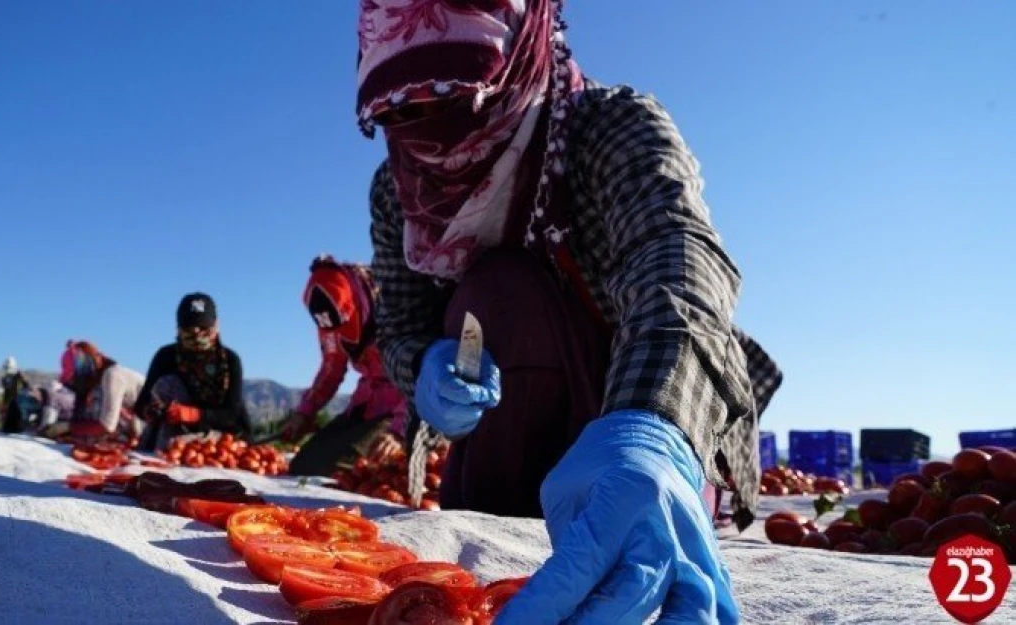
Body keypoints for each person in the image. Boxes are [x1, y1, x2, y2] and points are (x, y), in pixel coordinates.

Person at [355, 2, 784, 622]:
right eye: (396, 111)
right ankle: (500, 528)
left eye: (448, 92)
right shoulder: (396, 188)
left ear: (517, 53)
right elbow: (400, 321)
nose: (424, 131)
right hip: (501, 434)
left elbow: (678, 263)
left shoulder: (609, 127)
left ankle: (641, 497)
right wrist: (422, 362)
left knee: (505, 292)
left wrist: (654, 427)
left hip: (623, 398)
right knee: (496, 295)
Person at [279, 256, 408, 477]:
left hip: (404, 407)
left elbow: (421, 375)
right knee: (302, 466)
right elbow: (331, 369)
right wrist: (305, 413)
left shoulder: (394, 307)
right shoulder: (329, 320)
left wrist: (401, 430)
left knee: (343, 469)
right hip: (365, 406)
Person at [134, 293, 251, 451]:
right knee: (167, 383)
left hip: (219, 434)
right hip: (171, 432)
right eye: (189, 331)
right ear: (179, 329)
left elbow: (231, 414)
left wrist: (194, 415)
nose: (197, 336)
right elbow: (141, 404)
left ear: (216, 326)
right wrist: (153, 411)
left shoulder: (230, 361)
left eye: (204, 329)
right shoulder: (166, 356)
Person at [58, 340, 146, 441]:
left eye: (76, 377)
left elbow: (107, 425)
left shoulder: (112, 375)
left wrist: (70, 428)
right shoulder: (102, 380)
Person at [0, 356, 34, 434]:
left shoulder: (19, 375)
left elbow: (27, 386)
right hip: (10, 399)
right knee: (9, 414)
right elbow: (6, 391)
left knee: (17, 414)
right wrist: (4, 403)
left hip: (19, 399)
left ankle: (16, 428)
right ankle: (8, 428)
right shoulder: (5, 378)